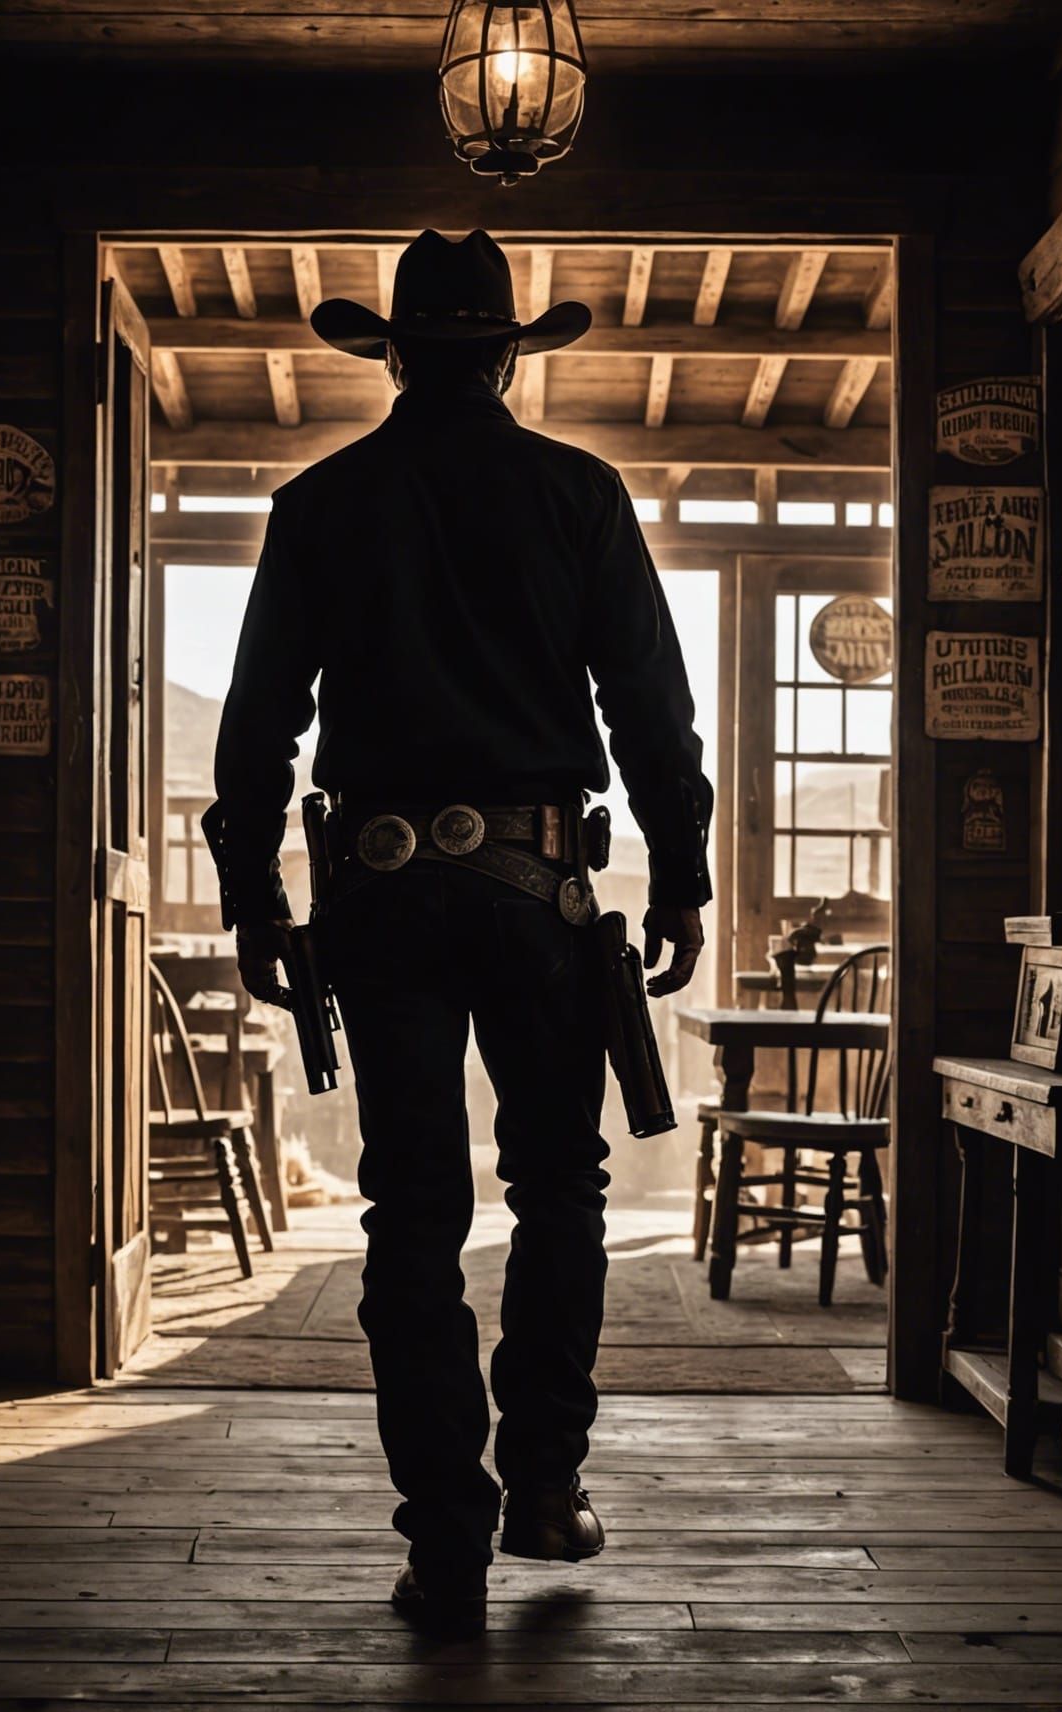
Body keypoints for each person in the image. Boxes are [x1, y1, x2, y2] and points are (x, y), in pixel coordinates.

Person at [208, 229, 712, 1635]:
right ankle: (546, 1486)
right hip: (541, 889)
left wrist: (255, 896)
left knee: (411, 1211)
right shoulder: (580, 495)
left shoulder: (319, 506)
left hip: (377, 894)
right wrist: (682, 873)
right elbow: (649, 711)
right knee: (560, 1185)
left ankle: (447, 1540)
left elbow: (260, 728)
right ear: (502, 354)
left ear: (392, 356)